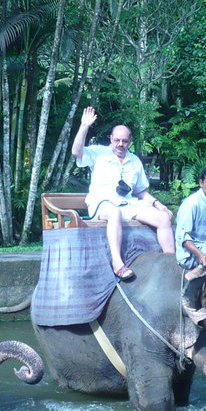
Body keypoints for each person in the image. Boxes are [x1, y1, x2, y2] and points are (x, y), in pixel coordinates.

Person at [71, 106, 175, 281]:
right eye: (117, 140)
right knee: (114, 212)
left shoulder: (134, 161)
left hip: (128, 204)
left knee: (163, 218)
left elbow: (140, 192)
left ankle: (171, 263)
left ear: (130, 141)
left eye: (124, 141)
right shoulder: (98, 153)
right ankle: (117, 263)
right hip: (101, 204)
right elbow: (76, 152)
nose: (120, 144)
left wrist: (159, 205)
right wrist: (84, 126)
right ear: (111, 139)